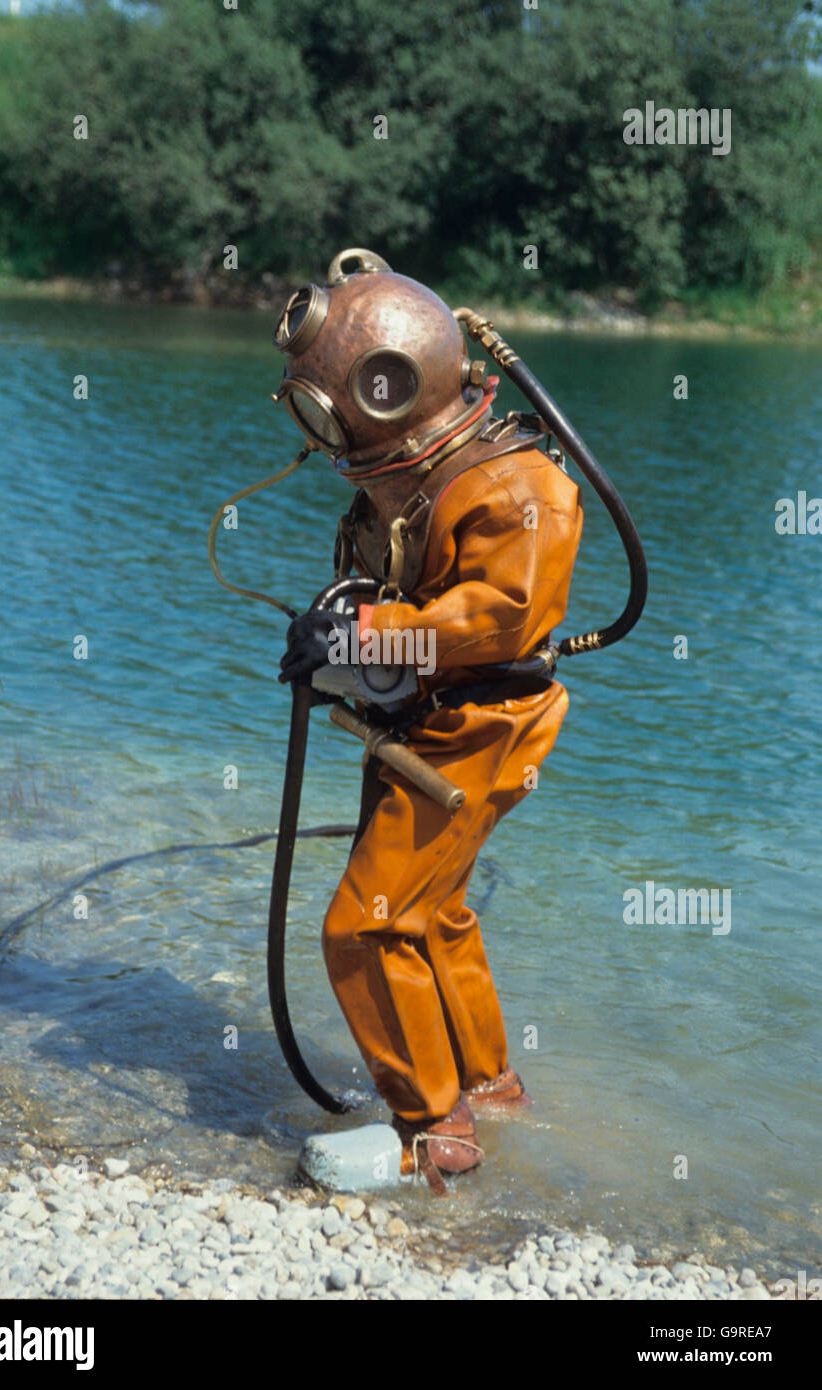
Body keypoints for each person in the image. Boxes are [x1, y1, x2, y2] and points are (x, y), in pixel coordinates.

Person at [275, 249, 583, 1193]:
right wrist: (341, 643)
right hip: (430, 721)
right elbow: (403, 599)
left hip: (480, 731)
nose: (332, 447)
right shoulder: (414, 470)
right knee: (432, 911)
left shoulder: (514, 489)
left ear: (391, 389)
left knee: (362, 926)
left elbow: (497, 617)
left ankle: (433, 1130)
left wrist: (364, 633)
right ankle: (487, 1087)